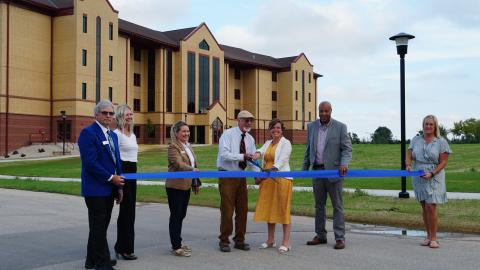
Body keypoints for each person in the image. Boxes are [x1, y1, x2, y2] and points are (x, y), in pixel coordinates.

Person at [78, 100, 124, 270]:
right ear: (96, 114)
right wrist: (111, 178)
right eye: (105, 113)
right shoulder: (88, 133)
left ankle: (91, 259)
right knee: (98, 226)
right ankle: (102, 263)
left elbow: (116, 162)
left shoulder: (112, 135)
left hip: (110, 188)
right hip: (95, 189)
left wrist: (119, 187)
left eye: (111, 113)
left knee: (101, 226)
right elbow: (90, 162)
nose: (108, 116)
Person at [302, 101, 352, 250]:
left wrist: (344, 164)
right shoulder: (312, 126)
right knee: (319, 206)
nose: (323, 114)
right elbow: (308, 149)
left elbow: (347, 149)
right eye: (321, 111)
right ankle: (320, 235)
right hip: (317, 172)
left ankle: (339, 238)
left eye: (326, 111)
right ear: (318, 111)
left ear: (331, 111)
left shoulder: (340, 127)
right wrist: (304, 168)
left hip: (334, 173)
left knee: (337, 206)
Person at [216, 110, 260, 252]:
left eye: (251, 120)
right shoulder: (227, 135)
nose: (249, 123)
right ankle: (224, 240)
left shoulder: (250, 139)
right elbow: (224, 155)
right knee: (227, 209)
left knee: (243, 209)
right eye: (246, 120)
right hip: (227, 175)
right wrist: (242, 156)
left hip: (241, 176)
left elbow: (253, 159)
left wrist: (257, 175)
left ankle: (240, 240)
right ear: (238, 120)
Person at [406, 115, 452, 249]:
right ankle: (427, 236)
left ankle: (434, 238)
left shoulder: (441, 141)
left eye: (431, 124)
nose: (428, 126)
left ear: (435, 126)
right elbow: (409, 154)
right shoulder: (416, 139)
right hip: (418, 174)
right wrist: (408, 164)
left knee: (430, 206)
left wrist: (432, 173)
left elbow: (443, 162)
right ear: (423, 125)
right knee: (424, 206)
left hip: (434, 175)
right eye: (426, 124)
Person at [253, 119, 293, 254]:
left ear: (282, 130)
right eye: (273, 128)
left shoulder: (286, 143)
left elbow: (283, 159)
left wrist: (274, 168)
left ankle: (286, 243)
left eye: (278, 128)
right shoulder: (268, 143)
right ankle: (270, 240)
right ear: (269, 130)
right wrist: (257, 154)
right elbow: (261, 150)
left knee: (283, 209)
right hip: (267, 180)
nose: (276, 130)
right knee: (270, 209)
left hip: (281, 178)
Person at [166, 121, 201, 257]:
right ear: (176, 133)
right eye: (183, 131)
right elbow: (178, 164)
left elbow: (194, 163)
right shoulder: (173, 147)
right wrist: (192, 169)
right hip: (175, 186)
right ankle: (176, 246)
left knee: (181, 215)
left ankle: (178, 242)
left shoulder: (188, 146)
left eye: (188, 131)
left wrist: (195, 182)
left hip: (186, 185)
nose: (187, 133)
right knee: (176, 216)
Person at [113, 104, 139, 260]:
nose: (130, 116)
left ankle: (122, 246)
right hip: (123, 173)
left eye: (131, 114)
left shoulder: (133, 134)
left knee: (129, 211)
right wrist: (118, 179)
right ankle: (125, 249)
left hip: (133, 172)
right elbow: (116, 158)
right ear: (121, 116)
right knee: (126, 211)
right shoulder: (116, 134)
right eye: (127, 114)